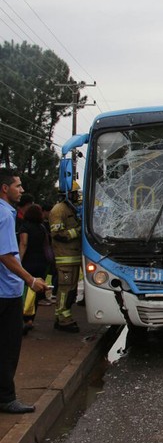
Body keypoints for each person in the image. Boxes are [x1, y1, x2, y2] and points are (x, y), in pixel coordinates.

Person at [0, 168, 48, 414]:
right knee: (8, 347)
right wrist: (31, 280)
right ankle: (6, 398)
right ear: (4, 188)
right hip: (6, 292)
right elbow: (6, 255)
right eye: (17, 186)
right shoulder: (6, 215)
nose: (22, 190)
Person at [50, 181, 82, 333]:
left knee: (71, 290)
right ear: (67, 194)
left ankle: (62, 317)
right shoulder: (59, 210)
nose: (77, 196)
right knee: (65, 290)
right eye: (75, 193)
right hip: (65, 258)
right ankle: (63, 320)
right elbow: (58, 234)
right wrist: (78, 231)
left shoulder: (72, 209)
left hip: (73, 257)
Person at [18, 204, 52, 334]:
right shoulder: (42, 228)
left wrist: (19, 261)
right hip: (41, 262)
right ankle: (31, 319)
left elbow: (24, 243)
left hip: (28, 262)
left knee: (25, 291)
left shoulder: (24, 227)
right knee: (36, 292)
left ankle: (23, 319)